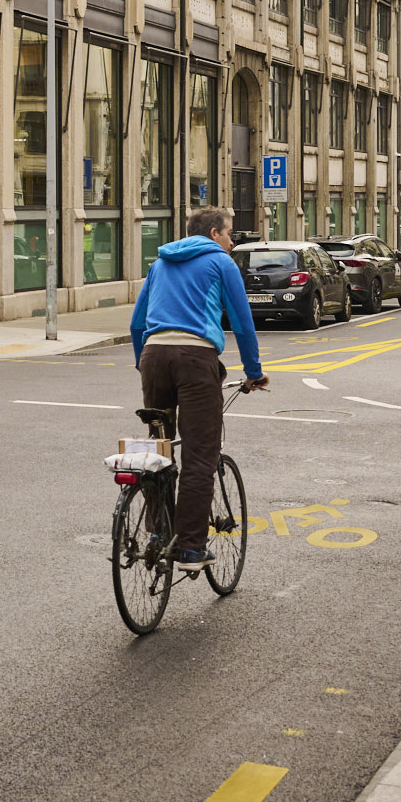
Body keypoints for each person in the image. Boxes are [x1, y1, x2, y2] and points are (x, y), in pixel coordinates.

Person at [130, 206, 267, 570]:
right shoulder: (221, 264)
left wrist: (142, 363)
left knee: (158, 451)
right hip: (195, 360)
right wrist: (253, 372)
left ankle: (158, 534)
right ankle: (191, 548)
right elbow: (241, 322)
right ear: (212, 234)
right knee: (200, 455)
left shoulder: (158, 265)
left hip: (154, 357)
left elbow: (136, 324)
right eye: (228, 233)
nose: (232, 240)